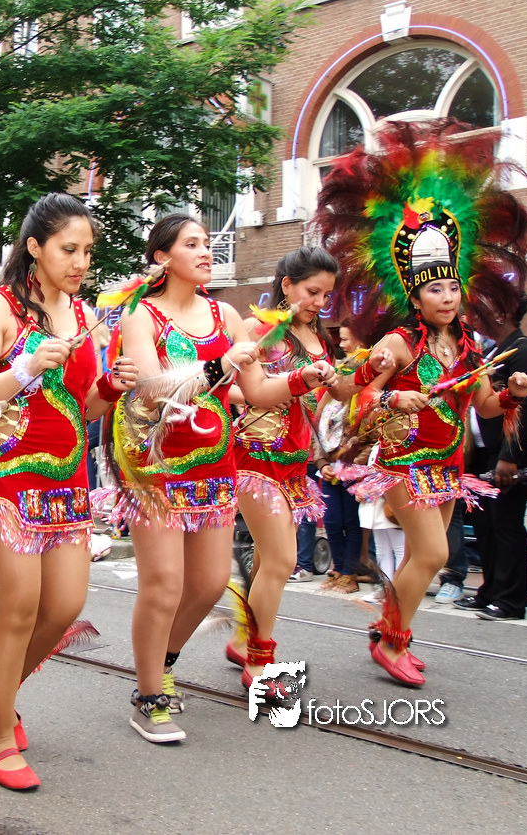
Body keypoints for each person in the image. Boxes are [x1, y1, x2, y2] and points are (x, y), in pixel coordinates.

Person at [0, 193, 138, 789]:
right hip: (6, 478)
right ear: (35, 248)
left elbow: (85, 406)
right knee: (18, 608)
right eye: (69, 249)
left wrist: (111, 387)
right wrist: (26, 367)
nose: (81, 262)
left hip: (68, 481)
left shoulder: (85, 314)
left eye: (88, 251)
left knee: (65, 606)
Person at [104, 213, 335, 744]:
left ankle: (162, 661)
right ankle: (148, 697)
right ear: (162, 258)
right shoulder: (141, 314)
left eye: (207, 242)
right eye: (192, 244)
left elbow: (257, 393)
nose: (207, 251)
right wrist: (217, 366)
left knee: (208, 584)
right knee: (165, 584)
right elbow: (152, 390)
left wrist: (300, 379)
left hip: (213, 464)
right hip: (154, 465)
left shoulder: (225, 314)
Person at [321, 119, 527, 686]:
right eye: (435, 289)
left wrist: (512, 394)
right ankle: (390, 640)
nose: (447, 297)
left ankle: (390, 633)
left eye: (452, 288)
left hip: (448, 464)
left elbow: (484, 406)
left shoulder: (467, 346)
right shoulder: (399, 343)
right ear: (415, 296)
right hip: (404, 464)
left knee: (427, 557)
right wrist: (394, 394)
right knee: (436, 555)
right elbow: (355, 393)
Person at [228, 247, 337, 688]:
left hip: (295, 462)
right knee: (282, 559)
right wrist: (282, 388)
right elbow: (233, 388)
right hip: (256, 456)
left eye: (326, 295)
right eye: (312, 291)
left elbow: (329, 396)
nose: (318, 302)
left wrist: (367, 375)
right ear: (287, 285)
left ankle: (243, 639)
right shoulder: (256, 331)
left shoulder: (318, 338)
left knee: (266, 562)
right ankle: (258, 661)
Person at [455, 294, 527, 620]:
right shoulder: (493, 350)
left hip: (506, 453)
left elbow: (525, 408)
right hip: (482, 452)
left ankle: (510, 600)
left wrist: (510, 455)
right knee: (486, 525)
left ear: (503, 312)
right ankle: (489, 591)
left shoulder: (524, 351)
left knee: (506, 525)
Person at [316, 320, 368, 596]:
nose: (342, 345)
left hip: (353, 468)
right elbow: (316, 430)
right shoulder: (329, 392)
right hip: (329, 469)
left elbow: (371, 433)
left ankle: (350, 573)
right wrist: (323, 463)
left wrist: (351, 463)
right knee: (333, 521)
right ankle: (338, 569)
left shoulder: (366, 391)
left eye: (347, 339)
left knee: (352, 522)